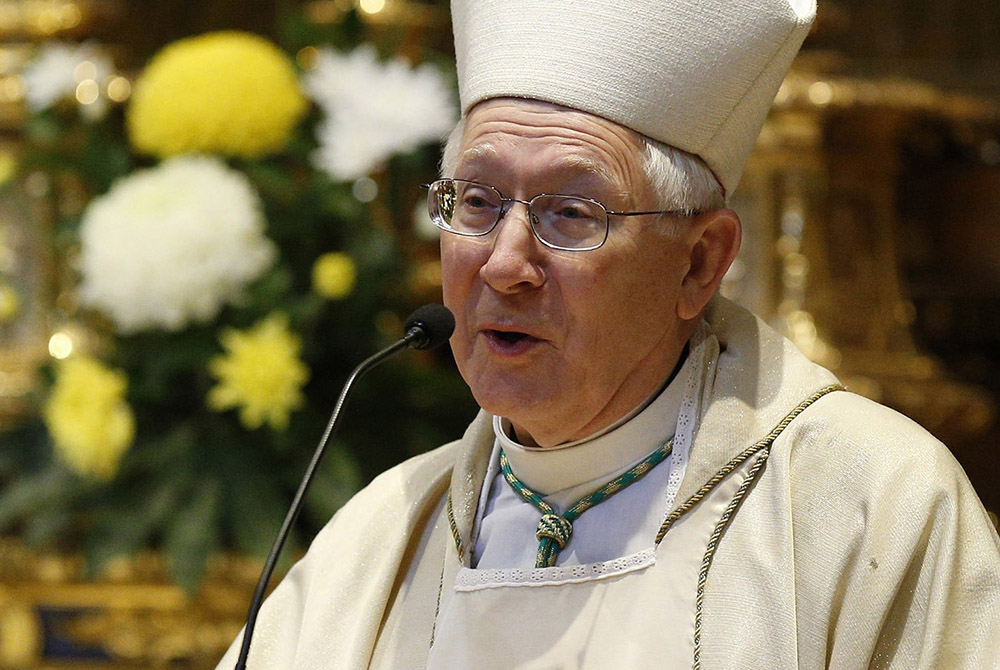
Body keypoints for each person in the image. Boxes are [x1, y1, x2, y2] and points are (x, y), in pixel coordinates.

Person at [218, 0, 1000, 667]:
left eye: (570, 213)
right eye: (480, 202)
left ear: (699, 264)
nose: (506, 264)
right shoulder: (381, 537)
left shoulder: (869, 506)